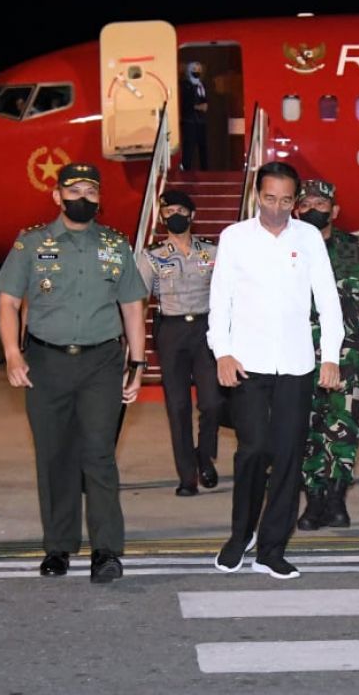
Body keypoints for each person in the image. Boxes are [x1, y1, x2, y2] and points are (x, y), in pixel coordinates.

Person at [0, 163, 148, 582]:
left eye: (91, 190)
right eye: (74, 189)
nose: (83, 197)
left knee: (98, 454)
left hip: (102, 362)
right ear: (57, 196)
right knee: (55, 456)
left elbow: (133, 305)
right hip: (46, 363)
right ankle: (59, 547)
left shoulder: (116, 246)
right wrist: (11, 353)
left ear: (100, 198)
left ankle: (106, 551)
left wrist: (138, 363)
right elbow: (7, 302)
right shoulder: (31, 244)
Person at [208, 161, 343, 579]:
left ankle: (271, 548)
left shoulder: (308, 239)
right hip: (247, 365)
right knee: (253, 451)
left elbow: (328, 299)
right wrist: (223, 353)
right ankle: (239, 535)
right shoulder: (234, 238)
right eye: (270, 199)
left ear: (295, 201)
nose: (277, 208)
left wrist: (331, 356)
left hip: (297, 366)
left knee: (287, 457)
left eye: (286, 201)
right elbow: (220, 301)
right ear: (257, 196)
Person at [294, 178, 359, 531]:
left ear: (335, 209)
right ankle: (314, 500)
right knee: (307, 428)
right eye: (307, 204)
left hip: (349, 354)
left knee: (344, 427)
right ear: (297, 209)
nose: (314, 209)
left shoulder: (355, 248)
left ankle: (337, 498)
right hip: (298, 351)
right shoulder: (290, 246)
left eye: (321, 204)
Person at [136, 190, 222, 497]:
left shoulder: (212, 252)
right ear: (161, 217)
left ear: (192, 216)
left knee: (212, 401)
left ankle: (204, 455)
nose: (175, 215)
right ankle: (187, 476)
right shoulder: (153, 256)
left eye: (181, 210)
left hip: (205, 329)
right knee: (178, 406)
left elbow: (226, 292)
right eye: (169, 210)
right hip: (171, 331)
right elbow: (140, 299)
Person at [179, 61, 209, 171]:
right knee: (189, 147)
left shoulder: (202, 85)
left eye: (199, 70)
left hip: (201, 121)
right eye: (194, 70)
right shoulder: (185, 85)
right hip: (189, 121)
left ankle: (205, 170)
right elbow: (184, 103)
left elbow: (205, 100)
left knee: (203, 147)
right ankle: (186, 168)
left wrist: (204, 106)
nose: (197, 72)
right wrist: (197, 107)